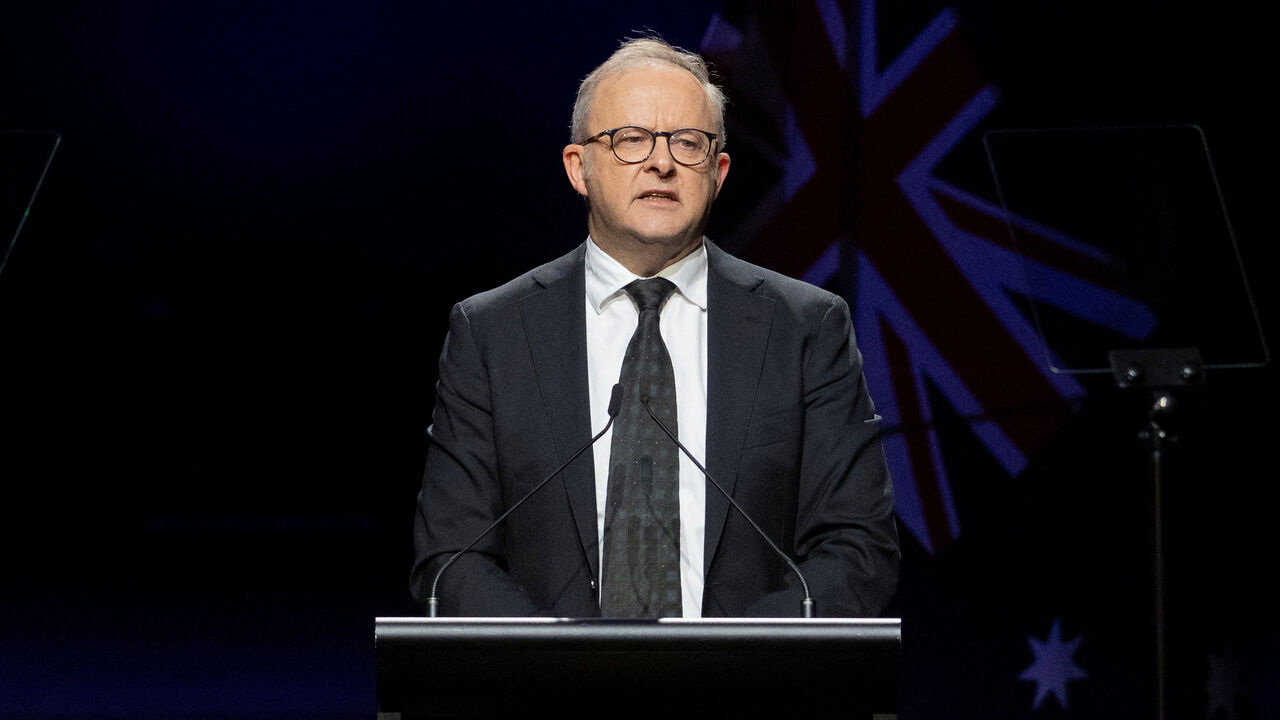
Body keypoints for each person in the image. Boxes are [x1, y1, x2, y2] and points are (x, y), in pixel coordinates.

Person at [410, 36, 898, 618]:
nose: (661, 162)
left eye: (687, 144)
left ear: (717, 172)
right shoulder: (492, 333)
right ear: (579, 167)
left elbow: (857, 548)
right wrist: (566, 667)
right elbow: (450, 558)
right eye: (630, 140)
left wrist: (727, 666)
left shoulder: (806, 328)